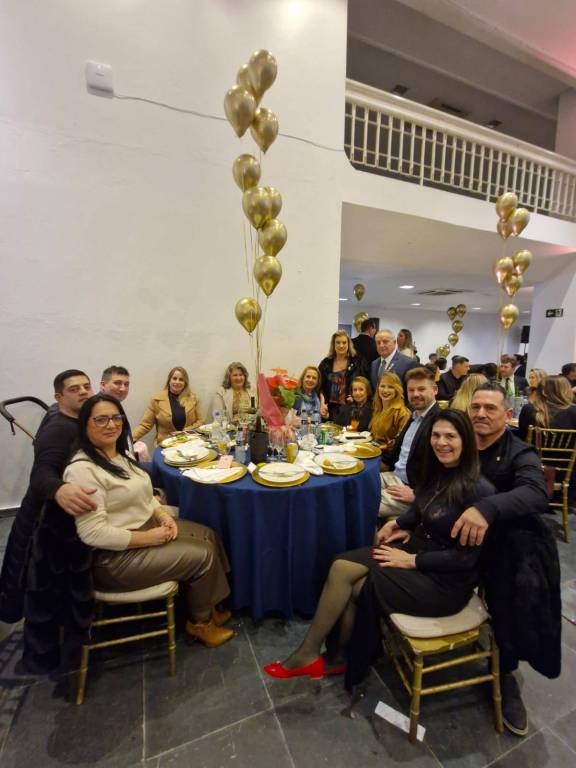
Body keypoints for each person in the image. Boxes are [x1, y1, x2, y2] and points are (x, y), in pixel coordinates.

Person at [263, 409, 494, 685]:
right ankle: (318, 654)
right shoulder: (440, 470)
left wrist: (412, 561)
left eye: (450, 436)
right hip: (419, 550)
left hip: (444, 582)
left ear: (465, 440)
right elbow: (422, 506)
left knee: (358, 587)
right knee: (341, 566)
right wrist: (399, 523)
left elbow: (466, 560)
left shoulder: (478, 491)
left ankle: (332, 656)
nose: (441, 442)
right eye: (436, 435)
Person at [64, 394, 234, 647]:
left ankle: (208, 605)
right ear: (84, 424)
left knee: (209, 535)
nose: (111, 424)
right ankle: (200, 623)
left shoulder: (118, 454)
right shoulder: (82, 470)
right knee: (202, 555)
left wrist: (162, 514)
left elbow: (144, 495)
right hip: (113, 560)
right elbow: (93, 533)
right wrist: (148, 538)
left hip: (143, 528)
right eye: (101, 419)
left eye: (116, 418)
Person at [452, 383, 557, 737]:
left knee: (516, 582)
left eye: (490, 408)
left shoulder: (520, 452)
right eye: (476, 407)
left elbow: (536, 492)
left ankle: (505, 670)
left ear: (507, 415)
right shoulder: (461, 442)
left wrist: (487, 508)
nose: (481, 414)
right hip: (457, 532)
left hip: (505, 542)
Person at [0, 370, 98, 629]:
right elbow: (41, 472)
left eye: (86, 386)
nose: (83, 391)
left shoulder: (76, 419)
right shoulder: (59, 429)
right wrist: (59, 489)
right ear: (59, 397)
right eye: (74, 389)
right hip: (44, 518)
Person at [378, 367, 440, 519]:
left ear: (435, 390)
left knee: (361, 503)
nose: (415, 394)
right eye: (411, 390)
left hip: (411, 488)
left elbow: (447, 470)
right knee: (355, 485)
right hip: (394, 476)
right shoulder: (414, 416)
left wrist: (418, 495)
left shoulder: (440, 421)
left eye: (421, 389)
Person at [133, 367, 202, 446]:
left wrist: (185, 431)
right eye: (174, 378)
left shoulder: (193, 399)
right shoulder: (156, 400)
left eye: (181, 379)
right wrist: (129, 440)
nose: (177, 382)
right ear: (169, 380)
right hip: (166, 444)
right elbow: (145, 425)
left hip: (189, 443)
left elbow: (200, 421)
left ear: (185, 383)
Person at [318, 331, 368, 421]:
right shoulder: (326, 363)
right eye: (338, 342)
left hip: (352, 410)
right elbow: (319, 386)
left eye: (344, 342)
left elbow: (366, 384)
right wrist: (322, 402)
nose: (341, 345)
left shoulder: (358, 362)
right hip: (329, 411)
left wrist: (356, 397)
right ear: (333, 345)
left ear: (348, 344)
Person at [517, 375, 576, 441]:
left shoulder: (529, 409)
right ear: (566, 390)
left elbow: (522, 435)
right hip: (568, 448)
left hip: (532, 447)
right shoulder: (573, 411)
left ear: (541, 391)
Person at [369, 372, 410, 452]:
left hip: (388, 455)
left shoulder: (402, 412)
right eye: (382, 386)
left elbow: (400, 441)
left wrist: (381, 447)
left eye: (390, 387)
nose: (385, 390)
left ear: (397, 390)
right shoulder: (378, 408)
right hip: (374, 450)